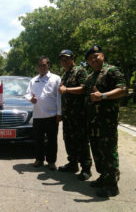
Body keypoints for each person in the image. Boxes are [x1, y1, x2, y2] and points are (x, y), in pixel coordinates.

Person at [84, 45, 126, 197]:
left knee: (108, 152)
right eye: (90, 58)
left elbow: (122, 89)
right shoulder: (90, 77)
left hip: (106, 122)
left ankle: (112, 185)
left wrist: (103, 96)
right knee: (97, 152)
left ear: (102, 55)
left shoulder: (112, 71)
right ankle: (104, 176)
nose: (93, 60)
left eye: (96, 56)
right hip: (93, 122)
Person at [57, 50, 92, 181]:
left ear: (73, 59)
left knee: (81, 141)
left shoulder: (80, 71)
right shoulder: (65, 74)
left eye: (66, 59)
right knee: (69, 140)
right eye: (62, 60)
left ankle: (86, 168)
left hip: (79, 114)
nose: (64, 62)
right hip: (68, 115)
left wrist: (67, 89)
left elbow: (84, 88)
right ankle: (72, 164)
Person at [25, 56, 61, 171]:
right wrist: (31, 99)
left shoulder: (56, 78)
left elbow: (59, 97)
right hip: (38, 115)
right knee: (38, 140)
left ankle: (51, 162)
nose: (42, 67)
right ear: (37, 67)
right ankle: (39, 159)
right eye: (40, 65)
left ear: (48, 65)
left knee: (52, 140)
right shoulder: (33, 80)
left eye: (44, 65)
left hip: (51, 116)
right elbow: (27, 93)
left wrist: (59, 113)